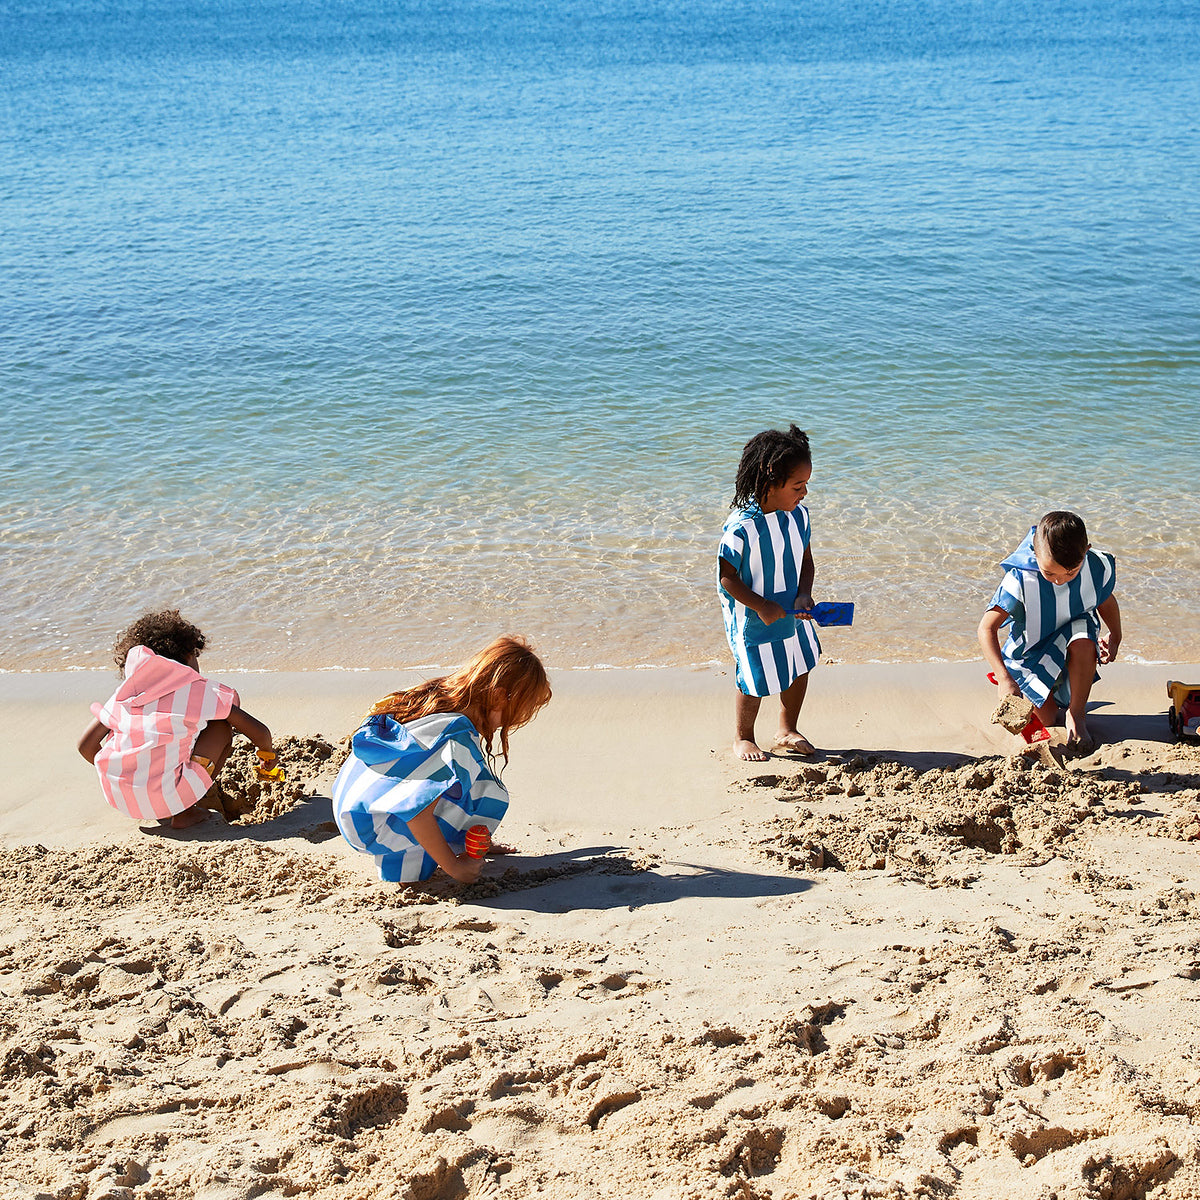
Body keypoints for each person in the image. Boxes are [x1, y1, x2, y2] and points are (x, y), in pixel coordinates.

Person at [332, 636, 551, 884]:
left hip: (355, 806)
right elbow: (415, 811)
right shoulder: (457, 738)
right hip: (375, 829)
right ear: (500, 697)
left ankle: (463, 841)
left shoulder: (433, 699)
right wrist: (454, 867)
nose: (514, 722)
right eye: (520, 710)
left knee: (474, 781)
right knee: (486, 793)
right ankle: (407, 866)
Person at [78, 610, 277, 829]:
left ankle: (156, 796)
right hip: (170, 797)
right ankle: (184, 812)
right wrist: (266, 755)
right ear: (189, 656)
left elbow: (85, 746)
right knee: (221, 726)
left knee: (160, 739)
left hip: (120, 799)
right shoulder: (196, 691)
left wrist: (128, 772)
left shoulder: (125, 695)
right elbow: (260, 732)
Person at [718, 425, 822, 762]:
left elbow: (807, 562)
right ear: (770, 482)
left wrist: (804, 594)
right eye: (797, 486)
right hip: (754, 613)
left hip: (793, 609)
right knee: (754, 673)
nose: (804, 493)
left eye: (805, 485)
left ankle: (786, 728)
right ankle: (743, 737)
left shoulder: (799, 517)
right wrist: (761, 605)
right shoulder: (741, 526)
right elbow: (727, 577)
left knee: (798, 663)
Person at [978, 511, 1122, 753]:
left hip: (1073, 649)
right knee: (1046, 719)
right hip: (1031, 654)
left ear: (1085, 551)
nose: (1059, 581)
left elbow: (1105, 601)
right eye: (1050, 573)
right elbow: (986, 628)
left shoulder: (1093, 567)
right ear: (1036, 556)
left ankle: (1077, 714)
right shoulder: (1022, 579)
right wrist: (1004, 678)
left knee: (1084, 632)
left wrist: (1116, 637)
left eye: (1070, 573)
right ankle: (1024, 689)